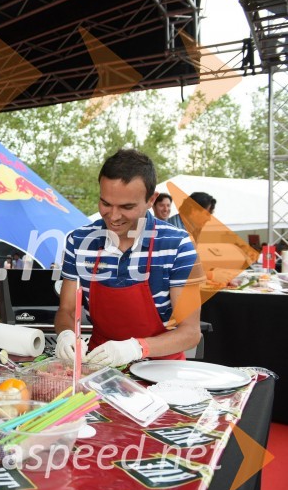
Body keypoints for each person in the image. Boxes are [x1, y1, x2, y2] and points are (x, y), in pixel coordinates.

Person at [54, 149, 203, 367]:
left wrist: (136, 348)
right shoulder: (79, 242)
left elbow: (190, 332)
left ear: (151, 199)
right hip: (98, 366)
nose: (113, 216)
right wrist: (66, 335)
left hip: (162, 370)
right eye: (105, 203)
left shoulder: (178, 245)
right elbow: (67, 310)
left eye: (127, 207)